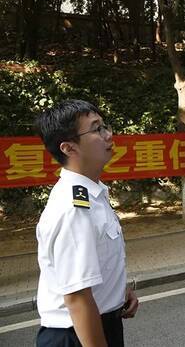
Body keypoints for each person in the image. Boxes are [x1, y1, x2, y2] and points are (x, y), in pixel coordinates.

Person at [33, 99, 138, 347]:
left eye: (105, 125)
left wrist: (119, 291)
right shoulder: (73, 209)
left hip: (99, 322)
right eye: (97, 129)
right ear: (69, 148)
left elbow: (93, 261)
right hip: (76, 334)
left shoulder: (93, 194)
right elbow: (78, 299)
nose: (108, 134)